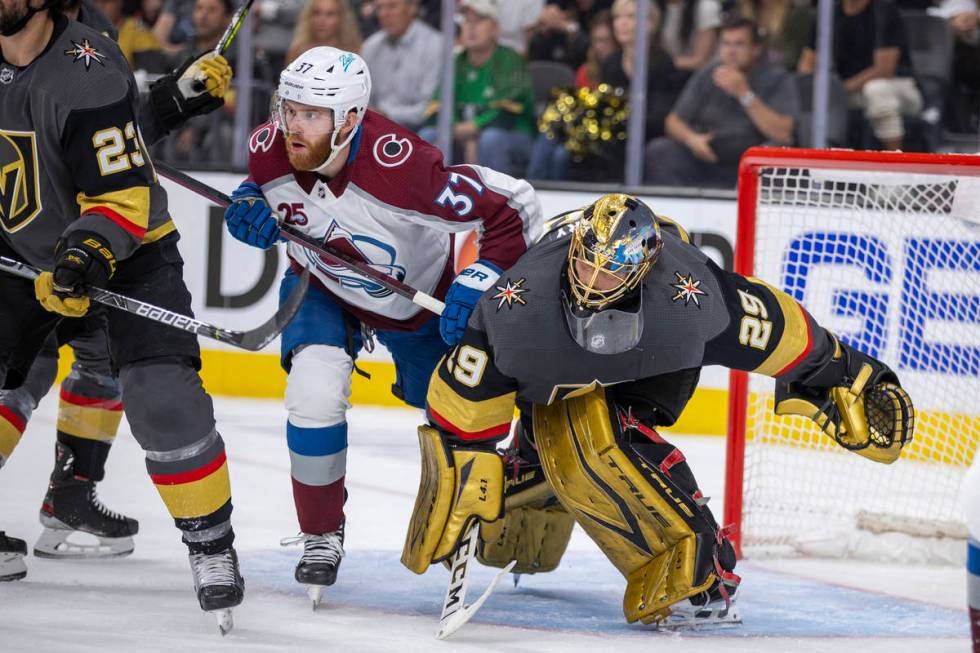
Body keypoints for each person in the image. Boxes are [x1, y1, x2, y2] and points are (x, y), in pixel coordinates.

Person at [400, 193, 915, 628]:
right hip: (551, 373)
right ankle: (534, 461)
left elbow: (778, 330)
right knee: (553, 435)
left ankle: (700, 560)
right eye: (585, 262)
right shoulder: (518, 304)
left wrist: (845, 372)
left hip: (653, 365)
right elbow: (464, 399)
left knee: (593, 439)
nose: (592, 280)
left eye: (612, 270)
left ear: (644, 267)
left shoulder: (690, 298)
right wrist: (463, 462)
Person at [221, 46, 542, 604]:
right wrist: (251, 202)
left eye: (311, 116)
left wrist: (483, 275)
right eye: (288, 110)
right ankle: (321, 533)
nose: (293, 127)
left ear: (349, 120)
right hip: (321, 288)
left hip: (421, 305)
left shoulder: (403, 168)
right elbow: (268, 195)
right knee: (313, 393)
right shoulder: (269, 148)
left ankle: (510, 490)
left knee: (458, 418)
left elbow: (513, 204)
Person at [0, 0, 243, 627]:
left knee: (161, 397)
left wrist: (84, 255)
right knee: (14, 378)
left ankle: (211, 545)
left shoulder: (89, 56)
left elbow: (118, 170)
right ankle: (72, 495)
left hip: (123, 246)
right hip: (21, 246)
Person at [645, 16, 797, 187]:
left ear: (755, 49)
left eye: (739, 44)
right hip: (704, 155)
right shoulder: (709, 72)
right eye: (726, 44)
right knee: (660, 150)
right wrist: (692, 139)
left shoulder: (776, 78)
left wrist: (744, 94)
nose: (731, 51)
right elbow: (673, 121)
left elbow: (783, 133)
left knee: (771, 161)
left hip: (747, 163)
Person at [419, 0, 536, 176]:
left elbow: (511, 109)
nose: (471, 28)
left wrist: (475, 128)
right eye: (467, 21)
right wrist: (456, 127)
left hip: (513, 136)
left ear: (495, 29)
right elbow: (438, 104)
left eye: (479, 21)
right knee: (427, 135)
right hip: (462, 132)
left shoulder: (511, 60)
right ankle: (429, 200)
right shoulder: (456, 62)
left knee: (490, 140)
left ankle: (498, 200)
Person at [797, 0, 922, 151]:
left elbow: (884, 70)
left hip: (898, 86)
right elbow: (807, 64)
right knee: (811, 96)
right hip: (849, 90)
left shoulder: (883, 9)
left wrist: (839, 90)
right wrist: (811, 88)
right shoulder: (828, 13)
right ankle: (820, 155)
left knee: (876, 90)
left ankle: (894, 160)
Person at [361, 0, 442, 132]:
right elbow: (365, 100)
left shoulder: (436, 46)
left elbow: (430, 107)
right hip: (374, 128)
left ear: (412, 7)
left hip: (418, 131)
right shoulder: (370, 47)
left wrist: (387, 115)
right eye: (380, 8)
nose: (383, 14)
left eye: (392, 6)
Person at [286, 0, 362, 65]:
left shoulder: (354, 52)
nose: (321, 21)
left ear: (341, 19)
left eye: (330, 14)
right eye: (316, 13)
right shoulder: (298, 50)